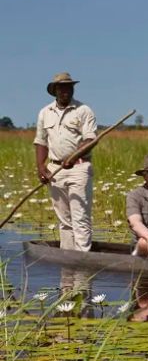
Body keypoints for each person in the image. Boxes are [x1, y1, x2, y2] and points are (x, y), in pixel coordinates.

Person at [34, 71, 98, 252]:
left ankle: (82, 261)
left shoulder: (83, 110)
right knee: (64, 219)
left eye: (69, 87)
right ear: (54, 90)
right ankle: (67, 261)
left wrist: (74, 156)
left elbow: (91, 140)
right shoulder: (45, 112)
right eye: (61, 88)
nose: (65, 91)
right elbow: (41, 141)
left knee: (80, 216)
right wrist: (40, 167)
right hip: (55, 169)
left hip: (79, 167)